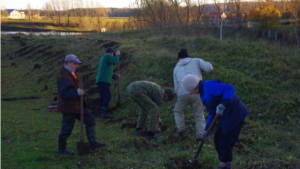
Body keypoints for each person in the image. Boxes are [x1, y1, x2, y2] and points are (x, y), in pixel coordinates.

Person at [182, 74, 249, 169]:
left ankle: (226, 165)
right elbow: (212, 112)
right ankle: (224, 162)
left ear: (193, 88)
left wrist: (223, 104)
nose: (190, 92)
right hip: (225, 116)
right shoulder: (203, 94)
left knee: (224, 142)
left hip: (234, 115)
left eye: (189, 90)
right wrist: (207, 128)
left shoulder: (209, 86)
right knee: (217, 139)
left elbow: (229, 88)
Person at [57, 54, 106, 155]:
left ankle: (92, 142)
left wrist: (79, 91)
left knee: (90, 119)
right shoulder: (63, 76)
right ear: (69, 63)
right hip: (69, 107)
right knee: (67, 128)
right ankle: (62, 150)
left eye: (77, 64)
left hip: (78, 105)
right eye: (75, 64)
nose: (77, 66)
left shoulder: (72, 74)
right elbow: (63, 93)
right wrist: (77, 92)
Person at [173, 49, 213, 142]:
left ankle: (182, 131)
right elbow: (210, 68)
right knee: (199, 114)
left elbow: (176, 85)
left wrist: (178, 97)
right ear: (188, 56)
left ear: (179, 58)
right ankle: (200, 137)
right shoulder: (196, 60)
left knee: (178, 111)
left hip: (182, 93)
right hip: (197, 91)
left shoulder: (176, 68)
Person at [95, 47, 121, 119]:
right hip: (104, 79)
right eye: (113, 54)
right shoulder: (107, 56)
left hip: (101, 79)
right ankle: (104, 113)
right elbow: (114, 61)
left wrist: (114, 75)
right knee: (107, 96)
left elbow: (106, 70)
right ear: (112, 53)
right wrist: (117, 55)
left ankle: (101, 112)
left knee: (103, 96)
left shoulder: (102, 59)